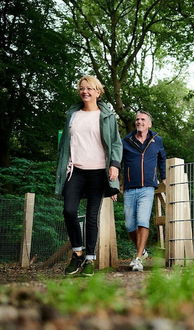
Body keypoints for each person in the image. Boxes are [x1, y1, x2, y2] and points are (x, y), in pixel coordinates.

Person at [55, 75, 122, 277]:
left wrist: (115, 165)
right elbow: (64, 142)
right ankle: (77, 253)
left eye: (90, 89)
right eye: (82, 88)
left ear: (98, 92)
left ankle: (90, 259)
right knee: (69, 210)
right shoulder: (73, 114)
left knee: (92, 216)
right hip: (75, 170)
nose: (85, 92)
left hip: (98, 171)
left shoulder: (107, 116)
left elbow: (116, 143)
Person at [122, 110, 166, 271]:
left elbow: (162, 158)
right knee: (129, 225)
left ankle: (138, 258)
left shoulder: (157, 140)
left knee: (142, 220)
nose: (139, 122)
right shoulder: (126, 140)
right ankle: (143, 251)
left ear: (149, 123)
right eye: (137, 119)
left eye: (142, 119)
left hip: (148, 187)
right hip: (129, 188)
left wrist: (164, 176)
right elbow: (117, 161)